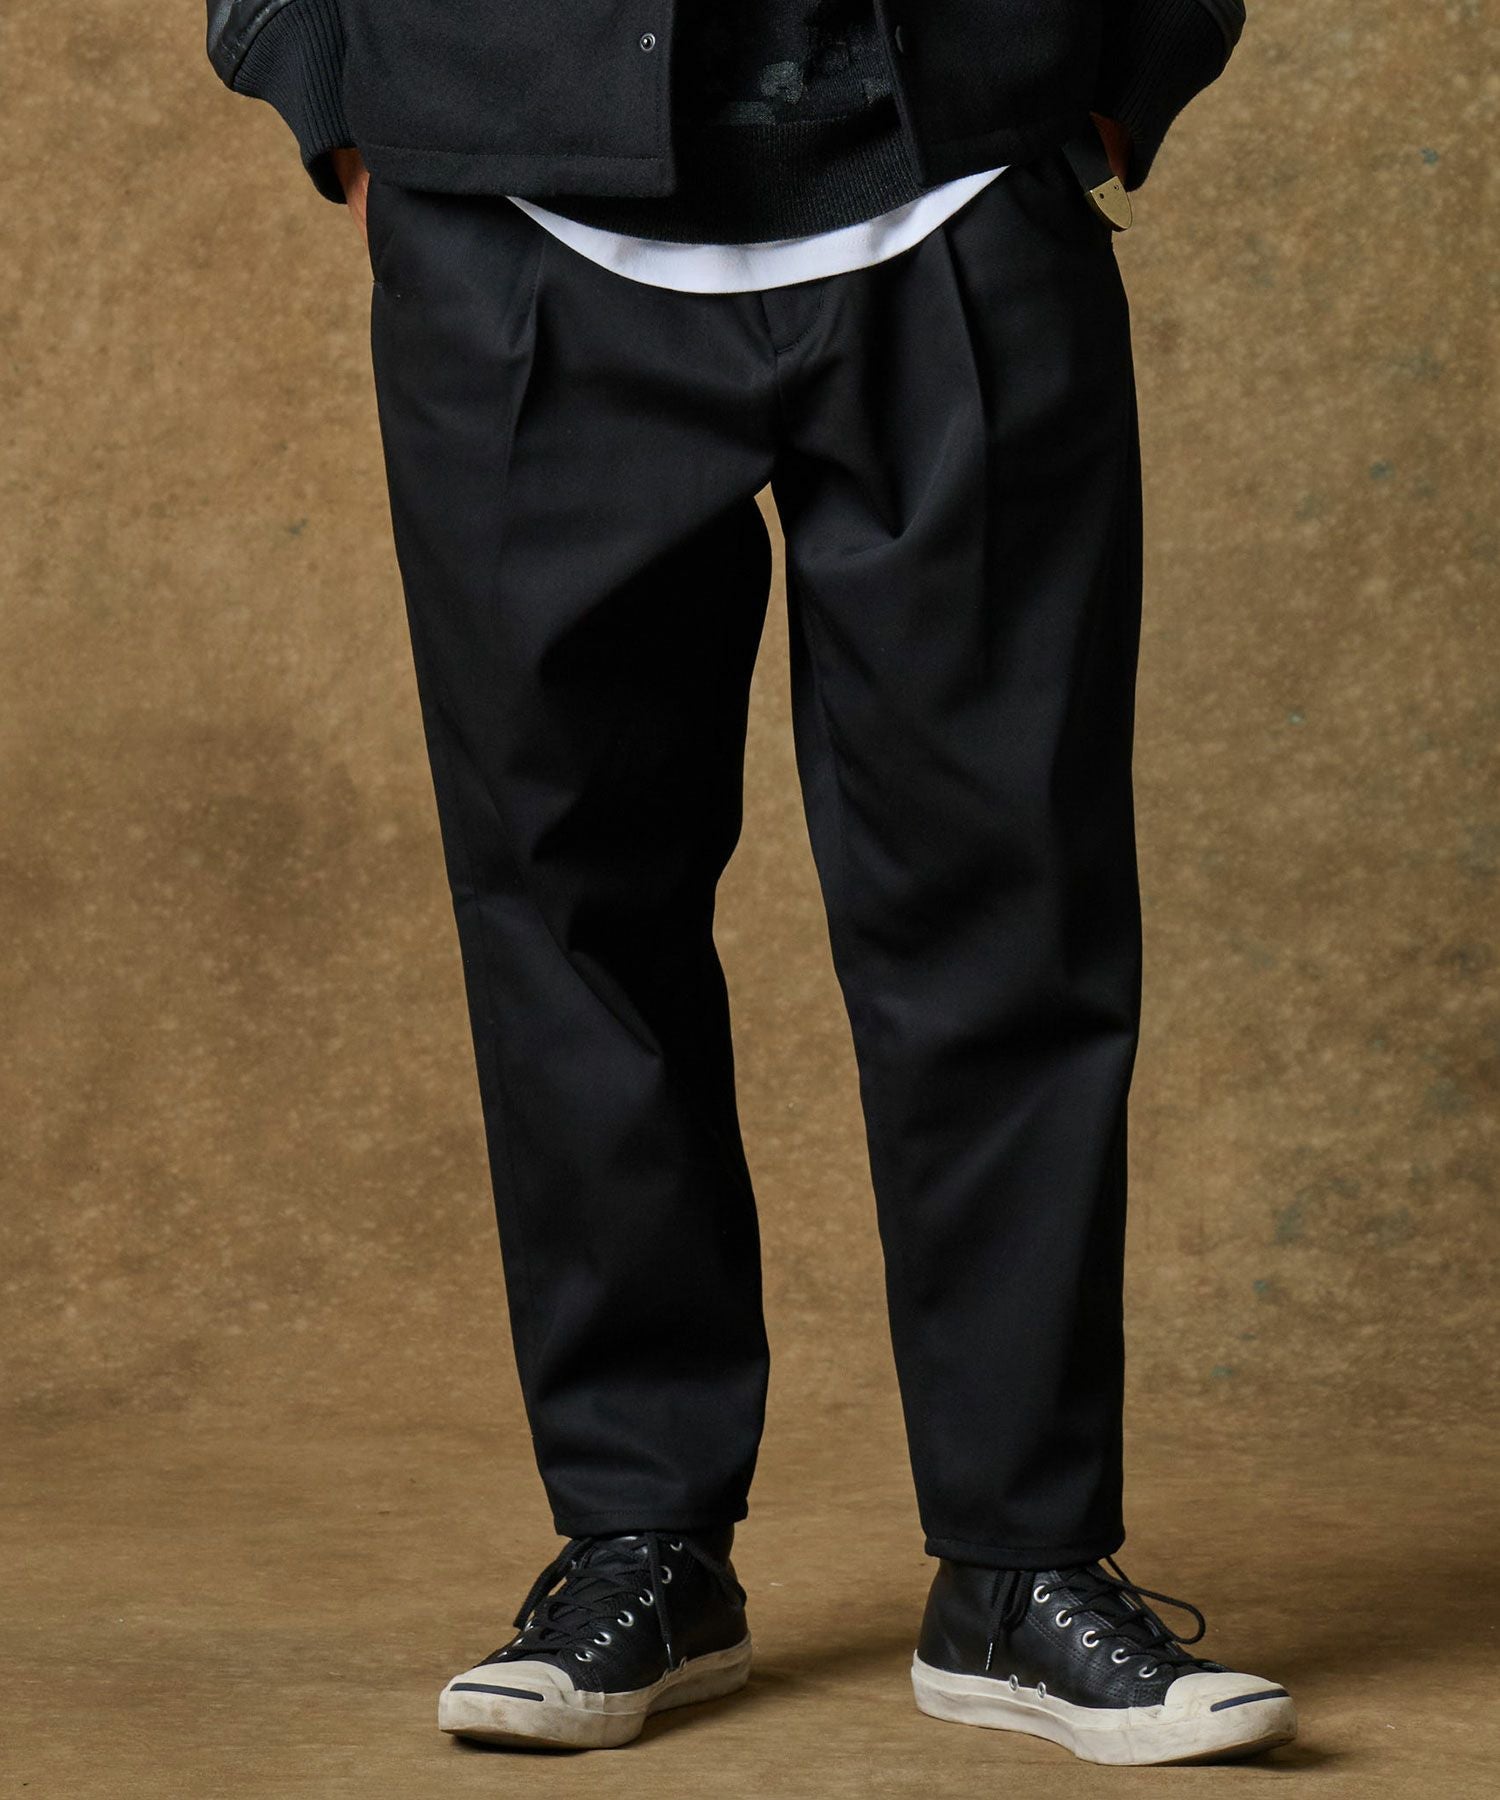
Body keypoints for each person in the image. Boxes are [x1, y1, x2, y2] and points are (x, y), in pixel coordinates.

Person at [204, 0, 1295, 1767]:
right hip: (515, 214)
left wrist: (1132, 55)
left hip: (958, 185)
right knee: (570, 912)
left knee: (1011, 905)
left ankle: (1022, 1566)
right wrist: (320, 79)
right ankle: (641, 1541)